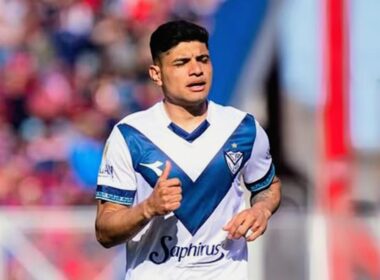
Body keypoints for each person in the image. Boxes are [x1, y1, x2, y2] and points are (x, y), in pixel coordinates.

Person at [95, 20, 281, 280]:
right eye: (181, 63)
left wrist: (261, 210)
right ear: (156, 74)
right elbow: (104, 230)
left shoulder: (243, 128)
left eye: (203, 59)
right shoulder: (130, 135)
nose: (196, 70)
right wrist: (148, 207)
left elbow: (268, 186)